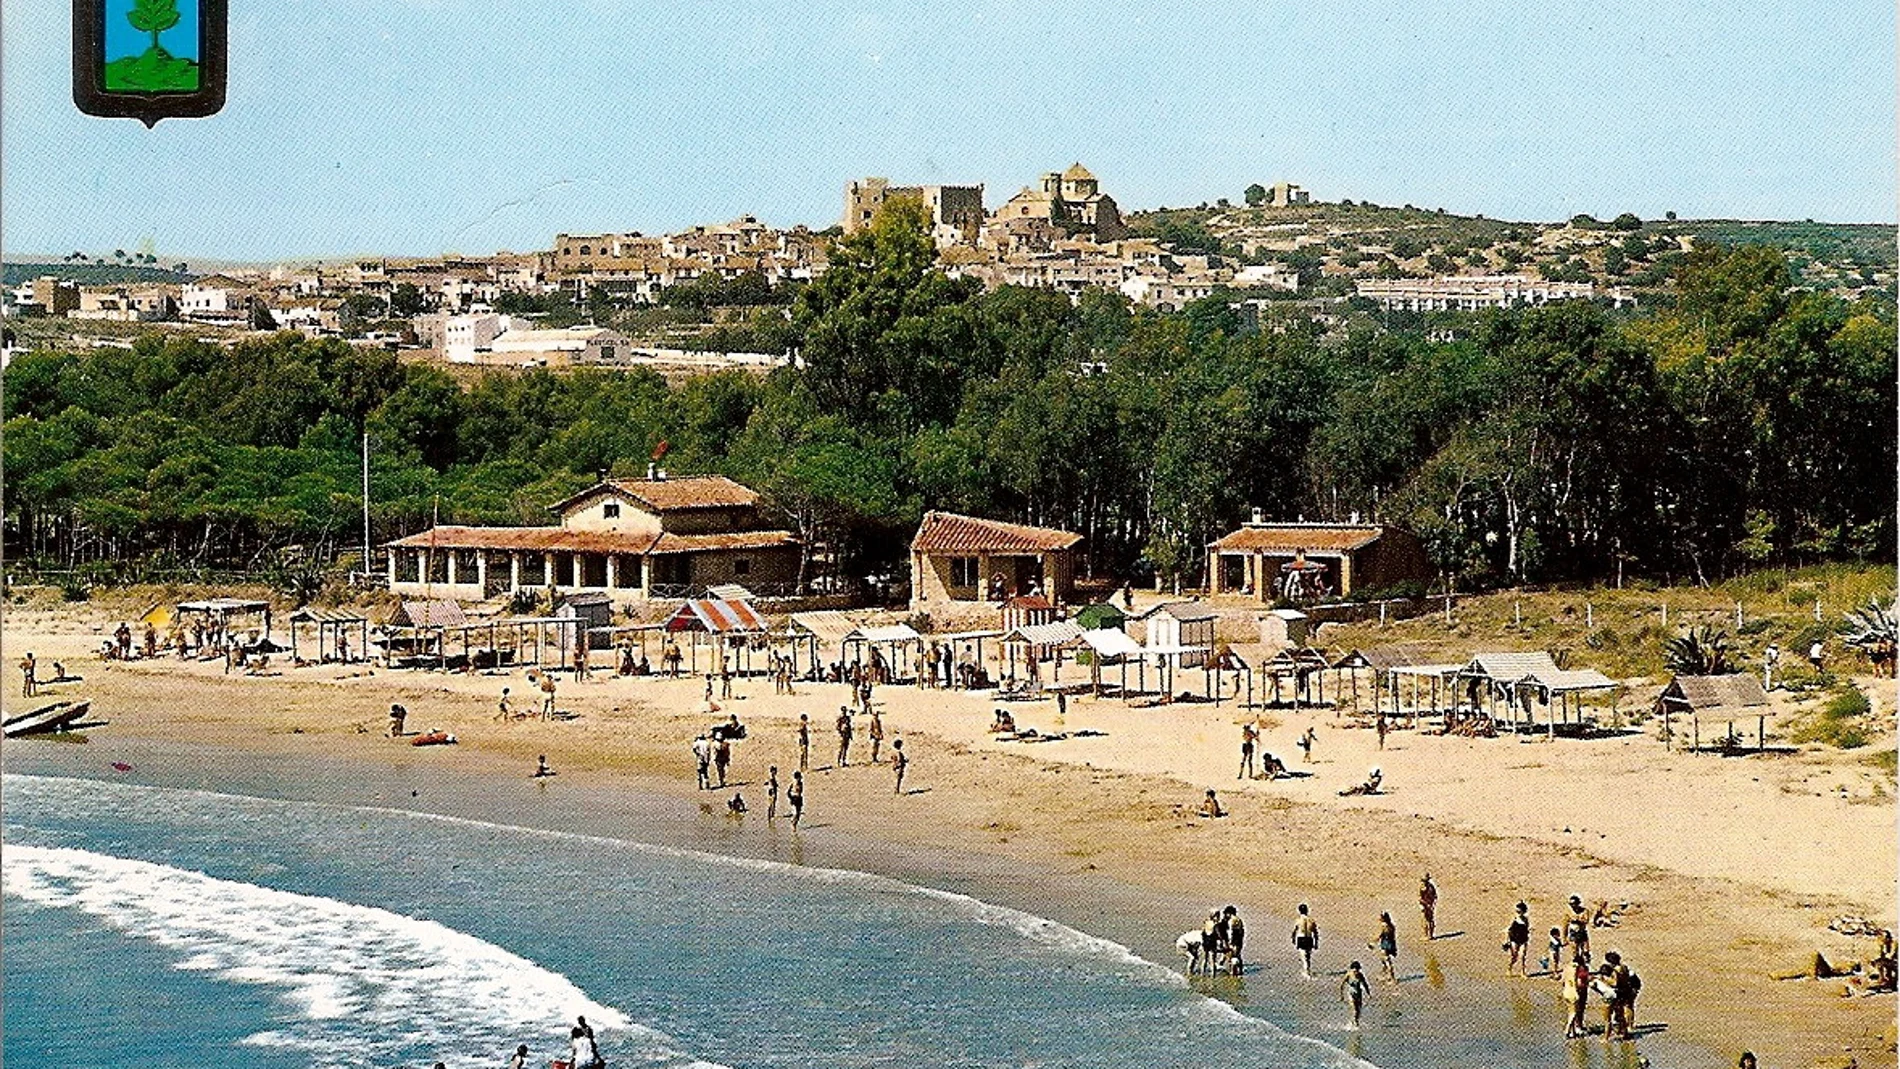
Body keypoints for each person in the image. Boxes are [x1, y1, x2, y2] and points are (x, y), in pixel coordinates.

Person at [1563, 953, 1592, 1038]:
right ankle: (1569, 1029)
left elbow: (1563, 980)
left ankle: (1575, 1029)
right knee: (1575, 1011)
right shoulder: (1576, 969)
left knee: (1578, 1009)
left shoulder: (1569, 968)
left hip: (1575, 990)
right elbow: (1576, 981)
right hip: (1577, 991)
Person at [1339, 960, 1371, 1029]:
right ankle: (1355, 1025)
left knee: (1359, 1010)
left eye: (1357, 969)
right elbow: (1342, 985)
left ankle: (1354, 1022)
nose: (1356, 971)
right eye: (1354, 969)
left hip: (1359, 993)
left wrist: (1368, 994)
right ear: (1352, 968)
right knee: (1354, 1010)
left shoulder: (1360, 975)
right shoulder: (1348, 974)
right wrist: (1342, 995)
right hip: (1351, 993)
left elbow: (1365, 984)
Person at [1503, 901, 1531, 976]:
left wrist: (1528, 935)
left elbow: (1527, 929)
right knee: (1514, 956)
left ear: (1523, 912)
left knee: (1522, 955)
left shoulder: (1526, 920)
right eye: (1516, 911)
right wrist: (1506, 940)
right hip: (1514, 939)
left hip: (1523, 939)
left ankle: (1523, 972)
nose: (1517, 913)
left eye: (1519, 911)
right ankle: (1509, 967)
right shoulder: (1514, 919)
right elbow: (1508, 930)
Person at [1293, 903, 1320, 977]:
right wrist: (1316, 943)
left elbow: (1295, 931)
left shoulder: (1298, 920)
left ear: (1299, 911)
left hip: (1301, 938)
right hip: (1309, 939)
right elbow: (1315, 932)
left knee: (1303, 957)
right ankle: (1308, 970)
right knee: (1308, 957)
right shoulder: (1311, 920)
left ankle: (1306, 973)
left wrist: (1293, 940)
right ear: (1307, 910)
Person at [1371, 912, 1398, 982]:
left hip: (1385, 944)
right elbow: (1393, 936)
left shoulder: (1384, 926)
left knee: (1386, 960)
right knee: (1384, 960)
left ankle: (1392, 978)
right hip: (1391, 944)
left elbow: (1379, 936)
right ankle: (1385, 975)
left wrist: (1372, 943)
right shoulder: (1392, 926)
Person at [1223, 905, 1246, 976]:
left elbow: (1230, 932)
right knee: (1238, 956)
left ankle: (1232, 974)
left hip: (1234, 942)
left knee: (1232, 958)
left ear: (1229, 913)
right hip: (1239, 941)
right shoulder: (1239, 920)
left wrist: (1229, 943)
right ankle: (1240, 972)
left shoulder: (1232, 921)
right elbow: (1242, 932)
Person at [1418, 874, 1438, 940]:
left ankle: (1426, 935)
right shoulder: (1431, 886)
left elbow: (1420, 898)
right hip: (1430, 904)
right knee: (1430, 919)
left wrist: (1425, 904)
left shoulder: (1422, 887)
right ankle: (1430, 935)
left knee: (1425, 920)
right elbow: (1435, 896)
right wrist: (1432, 905)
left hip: (1425, 905)